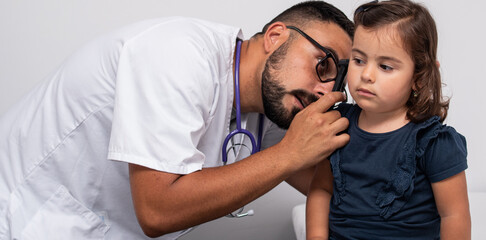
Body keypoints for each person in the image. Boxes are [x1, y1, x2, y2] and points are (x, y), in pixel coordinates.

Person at [0, 1, 355, 239]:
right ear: (275, 37)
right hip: (24, 219)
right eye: (322, 64)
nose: (324, 91)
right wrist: (290, 154)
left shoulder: (272, 107)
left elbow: (335, 191)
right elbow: (157, 211)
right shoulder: (178, 54)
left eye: (336, 81)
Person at [305, 0, 471, 239]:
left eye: (385, 66)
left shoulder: (434, 142)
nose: (367, 75)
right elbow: (321, 189)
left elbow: (454, 215)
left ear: (420, 78)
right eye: (359, 60)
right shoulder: (336, 124)